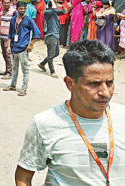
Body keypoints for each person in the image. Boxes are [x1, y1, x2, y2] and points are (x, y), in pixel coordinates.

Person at [15, 40, 125, 185]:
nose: (105, 92)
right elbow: (23, 178)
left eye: (109, 83)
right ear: (70, 84)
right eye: (94, 84)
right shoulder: (45, 124)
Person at [3, 2, 40, 96]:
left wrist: (31, 44)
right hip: (14, 47)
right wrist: (9, 46)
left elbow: (37, 33)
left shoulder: (29, 20)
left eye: (24, 8)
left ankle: (24, 88)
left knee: (25, 69)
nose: (23, 10)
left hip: (23, 48)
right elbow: (10, 34)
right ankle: (13, 85)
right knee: (14, 68)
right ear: (17, 9)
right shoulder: (13, 19)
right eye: (21, 8)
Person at [38, 1, 66, 78]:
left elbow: (65, 11)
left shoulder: (54, 12)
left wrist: (62, 6)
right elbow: (55, 10)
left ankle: (42, 63)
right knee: (51, 54)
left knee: (56, 53)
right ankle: (52, 71)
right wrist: (54, 3)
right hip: (50, 35)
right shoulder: (47, 12)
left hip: (56, 35)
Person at [0, 0, 17, 80]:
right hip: (2, 35)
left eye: (8, 2)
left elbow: (16, 24)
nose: (6, 4)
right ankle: (7, 70)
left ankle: (10, 72)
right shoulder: (2, 12)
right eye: (5, 3)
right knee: (4, 54)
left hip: (9, 37)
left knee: (8, 54)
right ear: (2, 3)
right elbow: (1, 23)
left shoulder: (14, 12)